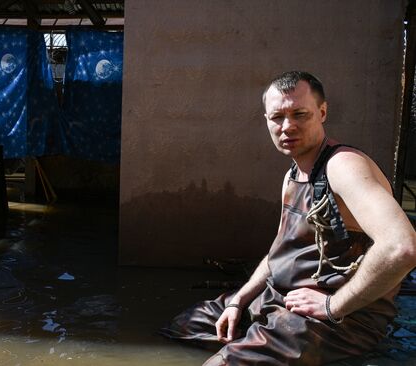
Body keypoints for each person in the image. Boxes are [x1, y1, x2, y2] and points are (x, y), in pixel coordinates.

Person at [160, 71, 416, 365]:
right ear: (266, 120)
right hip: (278, 298)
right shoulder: (293, 174)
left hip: (336, 320)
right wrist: (240, 301)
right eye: (277, 117)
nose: (287, 126)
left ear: (322, 112)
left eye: (300, 114)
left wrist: (333, 305)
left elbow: (402, 247)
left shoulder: (343, 167)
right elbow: (277, 255)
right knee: (184, 327)